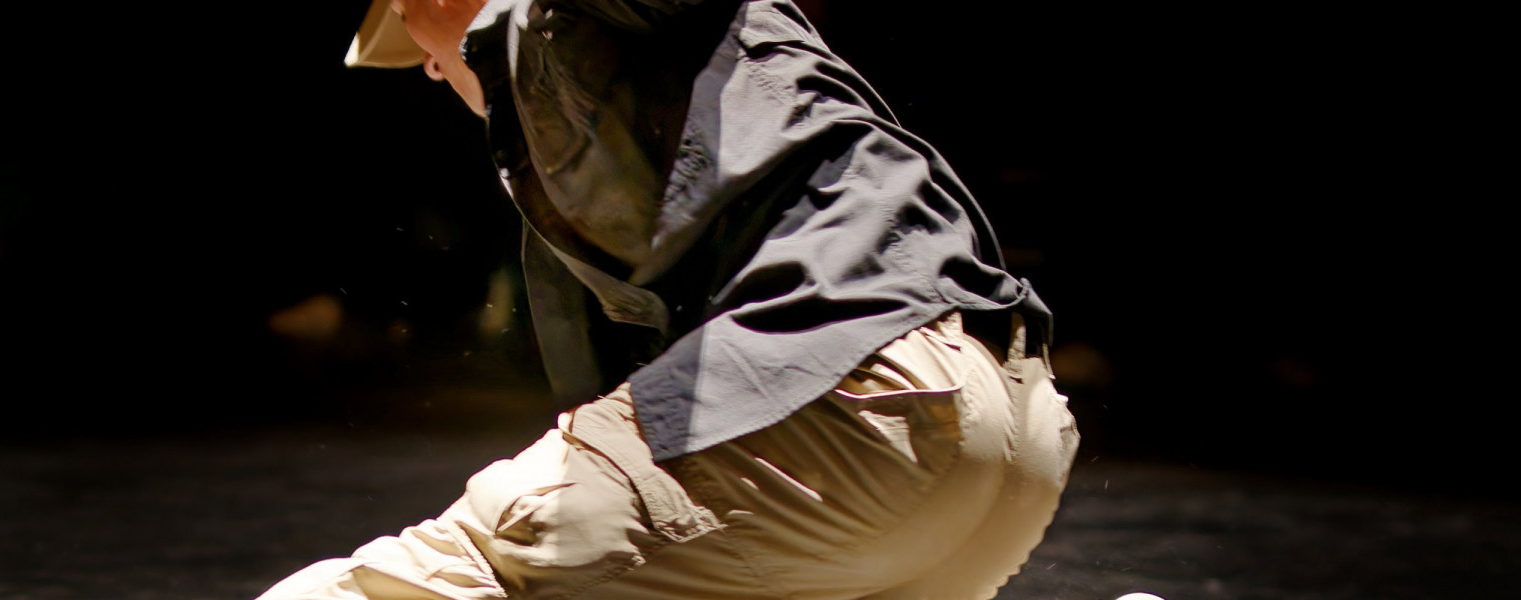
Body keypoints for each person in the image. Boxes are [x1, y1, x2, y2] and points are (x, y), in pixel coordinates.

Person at [258, 0, 1079, 598]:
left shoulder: (581, 19)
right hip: (1002, 423)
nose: (429, 66)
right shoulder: (602, 122)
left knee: (438, 578)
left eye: (410, 29)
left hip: (859, 395)